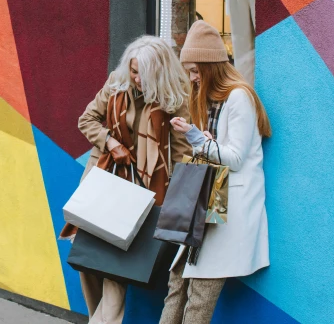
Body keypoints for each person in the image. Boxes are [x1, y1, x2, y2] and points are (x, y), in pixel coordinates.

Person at [75, 35, 193, 324]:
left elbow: (181, 152)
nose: (136, 78)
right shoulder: (117, 82)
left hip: (142, 191)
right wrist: (110, 142)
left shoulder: (174, 97)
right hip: (104, 180)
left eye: (143, 73)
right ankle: (96, 317)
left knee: (116, 266)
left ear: (159, 74)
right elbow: (87, 120)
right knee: (87, 258)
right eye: (134, 70)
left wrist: (178, 202)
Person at [159, 20, 271, 324]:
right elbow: (221, 150)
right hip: (207, 207)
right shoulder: (213, 101)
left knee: (199, 298)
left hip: (225, 213)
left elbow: (234, 158)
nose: (193, 79)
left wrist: (197, 138)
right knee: (177, 284)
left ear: (212, 68)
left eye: (196, 71)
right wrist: (205, 141)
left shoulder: (239, 98)